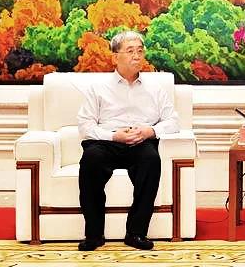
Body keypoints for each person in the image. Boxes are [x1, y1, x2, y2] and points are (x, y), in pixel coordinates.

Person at [77, 31, 179, 251]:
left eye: (140, 51)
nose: (137, 56)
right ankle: (94, 234)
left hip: (141, 142)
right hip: (107, 141)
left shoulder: (156, 88)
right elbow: (85, 126)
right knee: (91, 159)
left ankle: (136, 233)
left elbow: (173, 121)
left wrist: (149, 131)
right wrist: (114, 136)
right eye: (130, 51)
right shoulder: (98, 88)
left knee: (151, 160)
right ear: (115, 57)